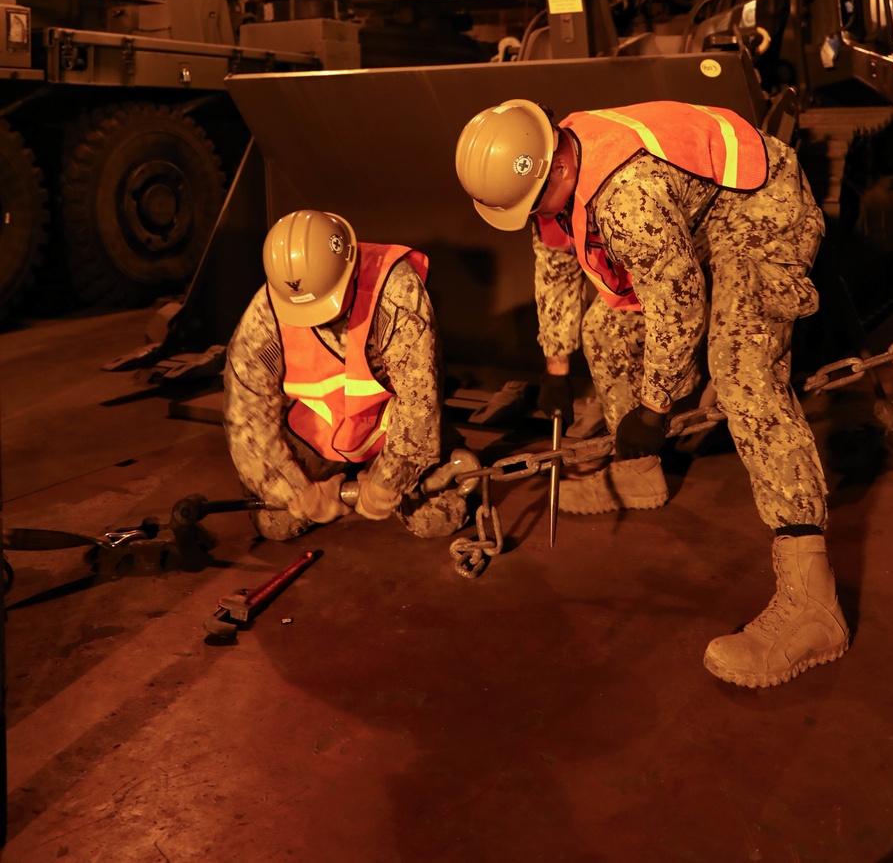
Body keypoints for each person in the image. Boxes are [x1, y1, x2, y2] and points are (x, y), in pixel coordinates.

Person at [455, 98, 849, 688]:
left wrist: (655, 407)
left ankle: (813, 600)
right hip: (694, 215)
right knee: (604, 330)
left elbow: (679, 301)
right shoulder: (549, 172)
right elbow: (555, 260)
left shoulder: (626, 196)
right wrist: (557, 366)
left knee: (742, 367)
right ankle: (641, 473)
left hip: (759, 210)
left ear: (556, 170)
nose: (532, 217)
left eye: (532, 205)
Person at [224, 208, 467, 542]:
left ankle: (443, 461)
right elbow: (246, 420)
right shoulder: (266, 313)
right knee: (276, 522)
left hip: (386, 430)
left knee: (438, 518)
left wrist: (387, 481)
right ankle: (347, 477)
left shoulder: (395, 292)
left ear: (351, 267)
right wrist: (298, 492)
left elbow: (419, 403)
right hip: (322, 436)